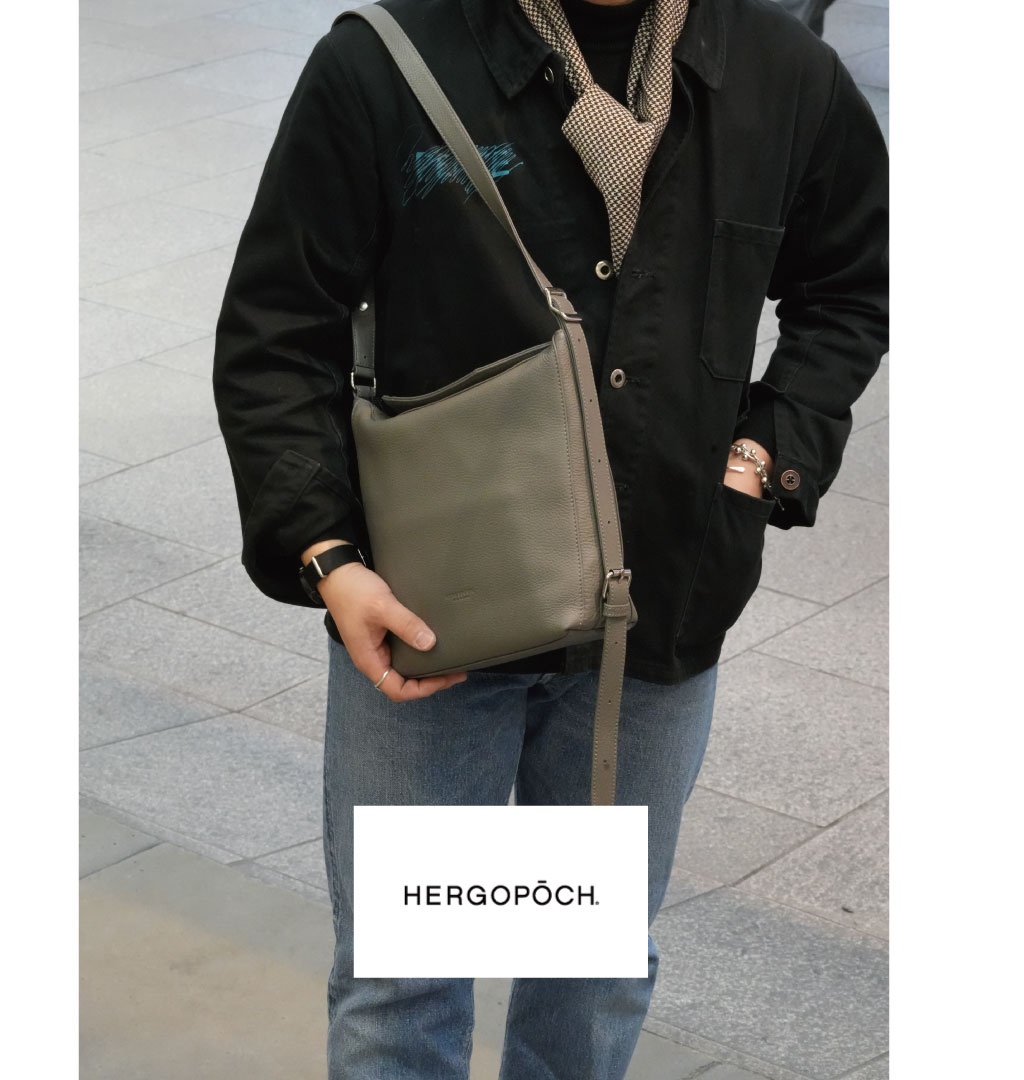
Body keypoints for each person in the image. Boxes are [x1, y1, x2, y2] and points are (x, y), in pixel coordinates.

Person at [213, 0, 888, 1075]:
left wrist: (764, 456)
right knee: (404, 984)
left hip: (655, 619)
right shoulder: (388, 59)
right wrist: (326, 554)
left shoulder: (779, 73)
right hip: (430, 619)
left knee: (588, 976)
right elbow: (277, 330)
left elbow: (850, 285)